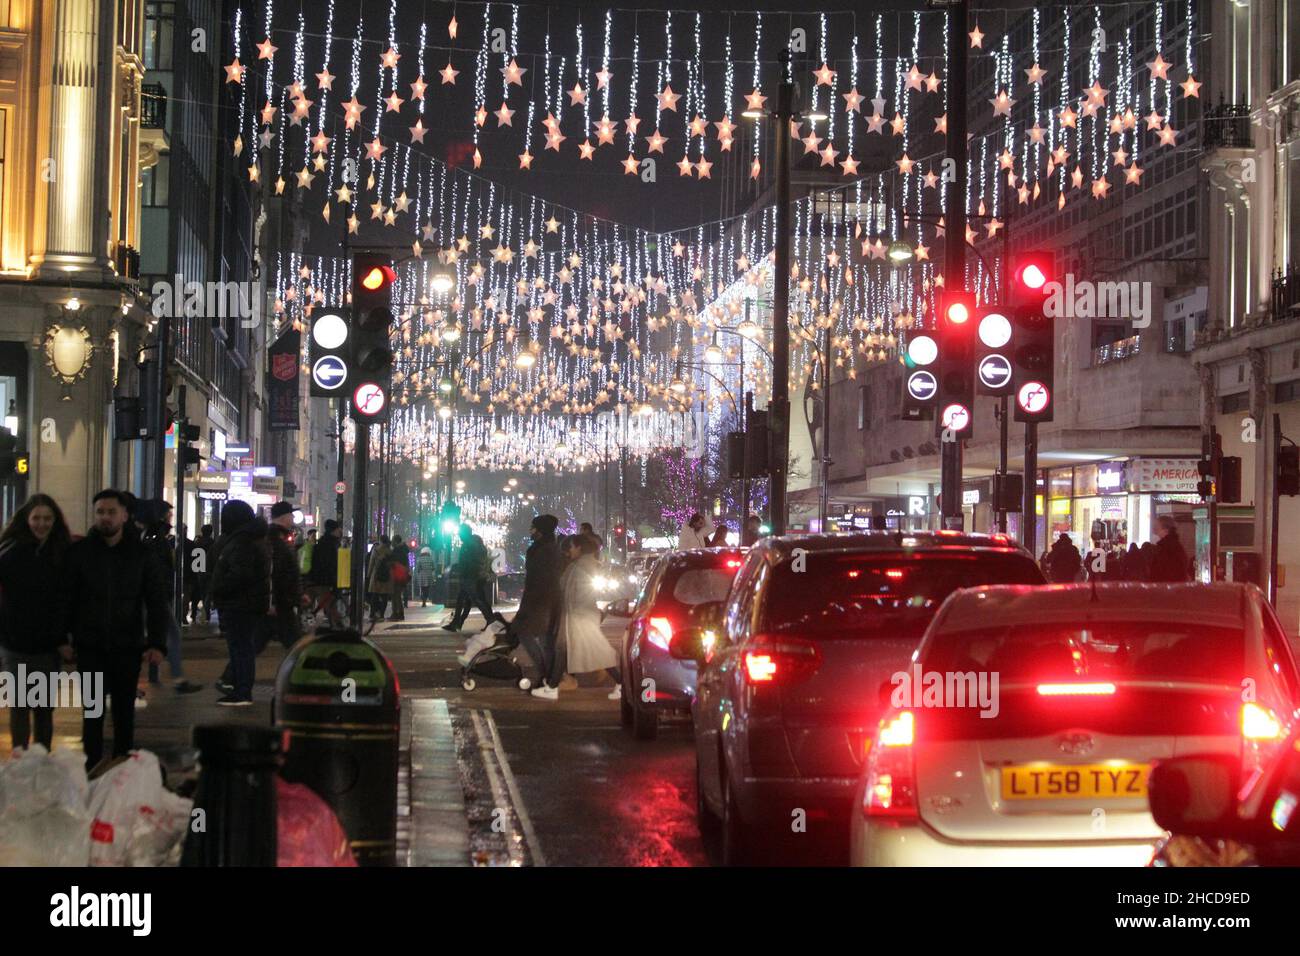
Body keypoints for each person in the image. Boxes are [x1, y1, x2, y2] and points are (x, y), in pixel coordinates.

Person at [62, 490, 170, 769]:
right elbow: (66, 600)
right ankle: (92, 768)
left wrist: (156, 644)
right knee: (93, 712)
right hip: (91, 646)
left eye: (111, 512)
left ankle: (122, 769)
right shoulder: (80, 554)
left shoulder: (141, 555)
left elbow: (156, 602)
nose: (105, 518)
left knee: (124, 714)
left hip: (127, 646)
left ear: (124, 515)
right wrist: (63, 638)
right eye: (100, 512)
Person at [0, 494, 73, 751]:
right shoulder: (10, 552)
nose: (41, 524)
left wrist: (62, 639)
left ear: (55, 521)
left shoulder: (62, 553)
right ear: (26, 520)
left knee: (43, 708)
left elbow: (64, 601)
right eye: (36, 518)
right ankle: (22, 758)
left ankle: (41, 759)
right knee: (20, 706)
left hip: (47, 647)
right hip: (15, 644)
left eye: (47, 518)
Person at [209, 500, 271, 706]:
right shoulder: (250, 539)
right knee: (242, 648)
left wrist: (218, 588)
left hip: (240, 604)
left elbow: (240, 574)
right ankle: (238, 688)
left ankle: (242, 692)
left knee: (241, 649)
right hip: (246, 603)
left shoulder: (242, 541)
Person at [141, 500, 202, 694]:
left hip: (153, 594)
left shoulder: (156, 536)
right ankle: (177, 678)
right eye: (168, 513)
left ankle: (174, 677)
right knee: (171, 634)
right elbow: (157, 570)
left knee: (157, 635)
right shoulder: (157, 538)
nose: (171, 516)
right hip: (154, 595)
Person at [554, 534, 622, 700]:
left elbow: (579, 593)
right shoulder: (580, 565)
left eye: (570, 547)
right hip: (578, 615)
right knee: (568, 649)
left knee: (599, 652)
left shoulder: (583, 566)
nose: (568, 550)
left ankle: (622, 683)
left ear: (579, 548)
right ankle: (554, 683)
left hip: (581, 616)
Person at [513, 515, 564, 700]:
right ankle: (547, 677)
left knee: (527, 634)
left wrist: (524, 608)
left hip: (540, 602)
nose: (530, 531)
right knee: (545, 641)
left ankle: (546, 677)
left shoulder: (541, 551)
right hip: (549, 601)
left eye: (533, 528)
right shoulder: (552, 549)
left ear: (540, 531)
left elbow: (535, 581)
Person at [444, 523, 495, 631]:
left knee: (476, 600)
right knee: (466, 599)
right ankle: (458, 622)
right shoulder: (477, 544)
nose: (459, 536)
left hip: (470, 577)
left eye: (460, 534)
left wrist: (462, 570)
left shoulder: (468, 545)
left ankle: (491, 621)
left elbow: (468, 562)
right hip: (476, 576)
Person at [308, 519, 343, 626]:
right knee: (330, 605)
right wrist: (335, 579)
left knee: (325, 604)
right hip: (324, 580)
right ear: (333, 530)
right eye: (338, 528)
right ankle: (339, 627)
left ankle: (337, 626)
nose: (340, 530)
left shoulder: (324, 542)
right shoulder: (331, 544)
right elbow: (331, 564)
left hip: (317, 578)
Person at [1148, 515, 1191, 582]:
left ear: (1165, 530)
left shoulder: (1167, 547)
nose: (1154, 531)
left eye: (1157, 527)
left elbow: (1164, 570)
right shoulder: (1174, 545)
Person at [187, 524, 214, 623]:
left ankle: (194, 614)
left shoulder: (197, 542)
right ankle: (207, 615)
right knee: (206, 593)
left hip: (198, 569)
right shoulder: (212, 543)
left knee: (196, 594)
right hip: (207, 571)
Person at [366, 534, 393, 623]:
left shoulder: (376, 550)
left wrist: (368, 574)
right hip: (387, 576)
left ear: (380, 540)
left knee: (375, 595)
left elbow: (371, 563)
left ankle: (372, 614)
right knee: (385, 596)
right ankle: (381, 614)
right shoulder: (390, 551)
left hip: (376, 575)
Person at [388, 534, 411, 620]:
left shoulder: (397, 550)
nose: (392, 542)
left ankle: (396, 613)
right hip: (403, 575)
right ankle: (400, 613)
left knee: (395, 595)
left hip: (397, 575)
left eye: (393, 540)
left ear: (396, 541)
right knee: (398, 595)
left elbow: (393, 561)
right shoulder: (404, 550)